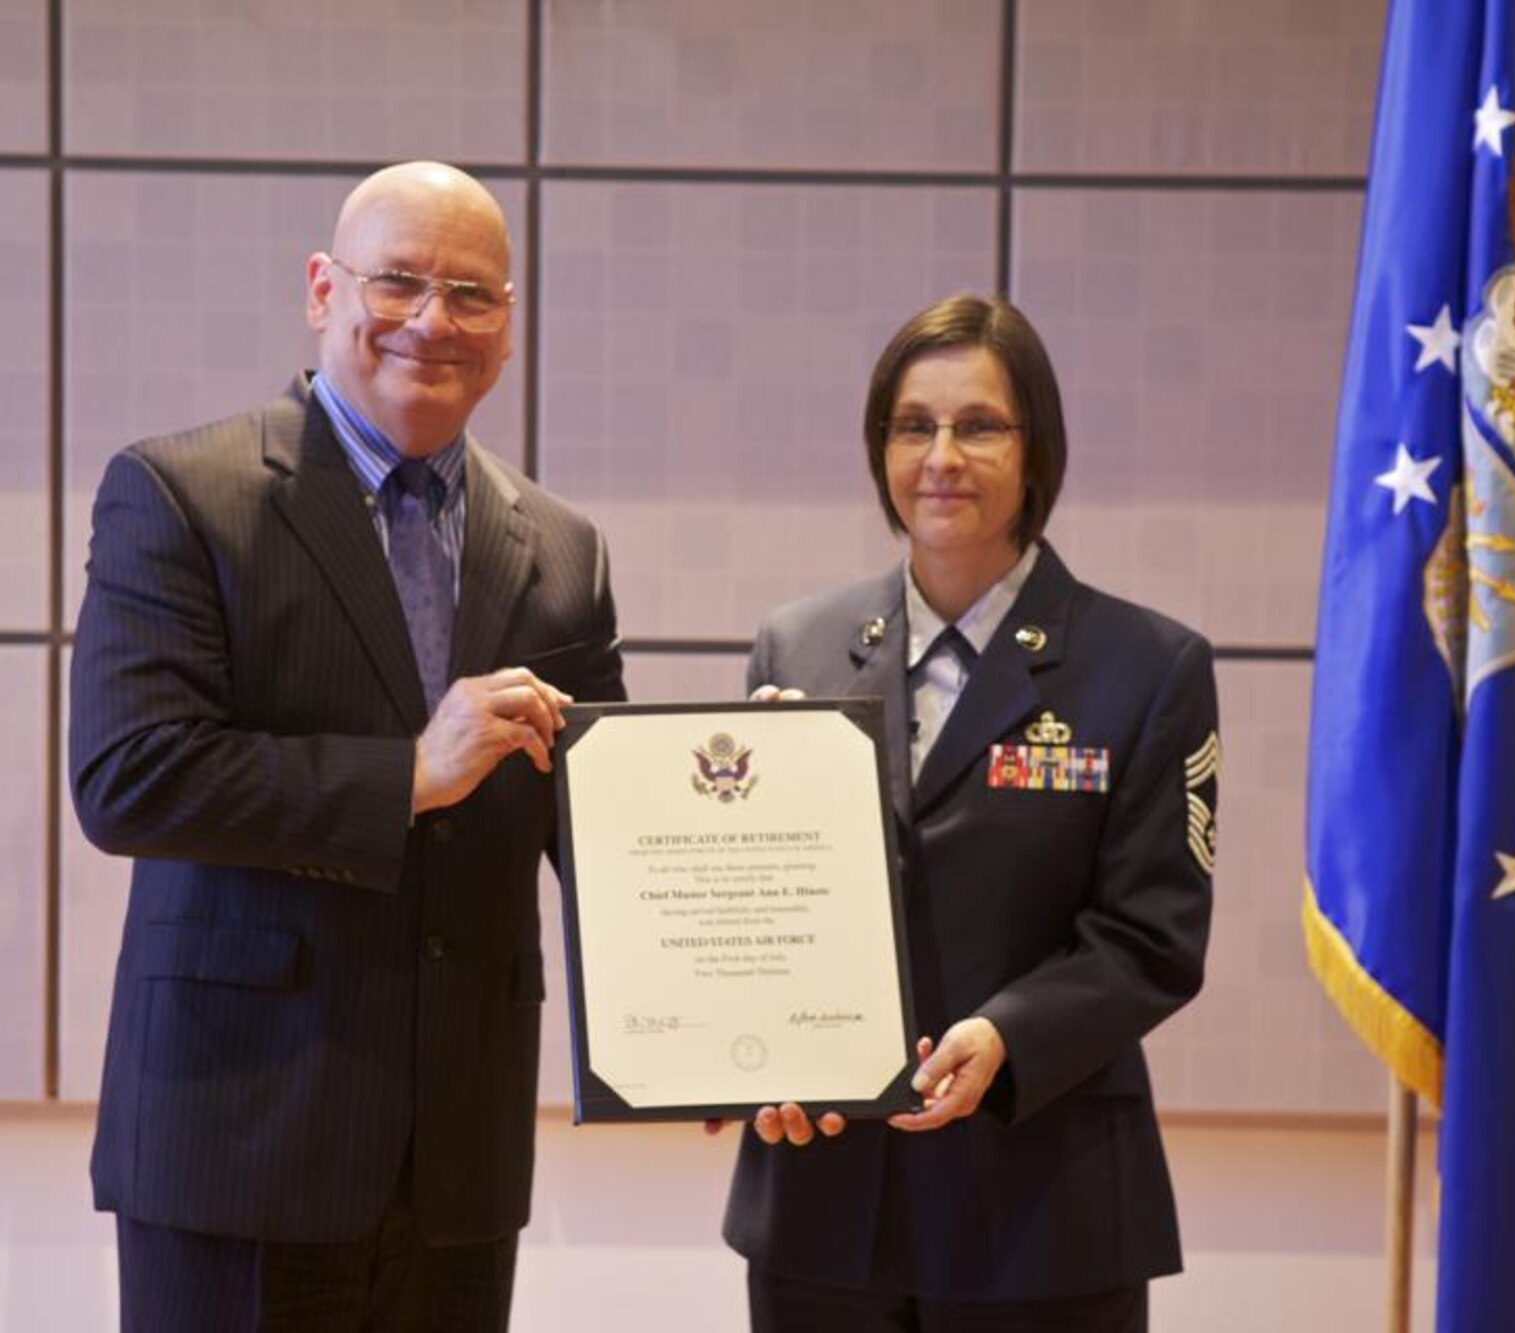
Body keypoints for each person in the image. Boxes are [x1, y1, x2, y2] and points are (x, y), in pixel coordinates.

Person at [69, 160, 624, 1332]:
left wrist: (754, 817)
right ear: (323, 289)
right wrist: (408, 776)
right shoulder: (180, 493)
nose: (433, 320)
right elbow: (131, 777)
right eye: (399, 281)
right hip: (238, 1146)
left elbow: (606, 828)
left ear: (507, 329)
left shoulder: (562, 547)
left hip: (457, 1167)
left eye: (471, 293)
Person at [718, 295, 1218, 1332]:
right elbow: (757, 912)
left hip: (1041, 1206)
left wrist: (1003, 1033)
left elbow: (1149, 939)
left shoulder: (1146, 666)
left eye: (978, 424)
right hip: (822, 1202)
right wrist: (736, 1040)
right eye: (912, 425)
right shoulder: (796, 645)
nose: (940, 454)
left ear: (1036, 450)